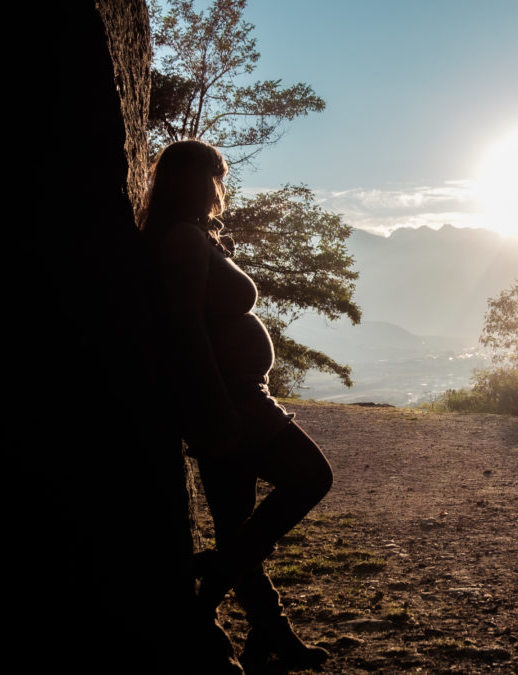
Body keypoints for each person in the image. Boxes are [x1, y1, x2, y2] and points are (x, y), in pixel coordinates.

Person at [141, 139, 333, 672]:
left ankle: (270, 634)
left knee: (236, 523)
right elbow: (184, 329)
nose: (219, 188)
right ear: (192, 180)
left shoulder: (194, 235)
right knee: (312, 478)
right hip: (232, 399)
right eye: (214, 177)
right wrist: (216, 407)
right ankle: (213, 586)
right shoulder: (182, 238)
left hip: (236, 394)